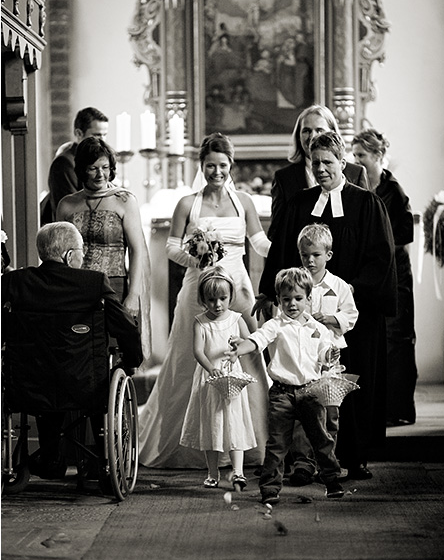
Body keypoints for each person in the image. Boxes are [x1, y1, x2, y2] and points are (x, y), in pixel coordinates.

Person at [257, 131, 396, 480]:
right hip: (304, 314)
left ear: (342, 163)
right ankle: (305, 460)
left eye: (327, 162)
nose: (320, 168)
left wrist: (345, 296)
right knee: (305, 386)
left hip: (352, 314)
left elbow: (381, 258)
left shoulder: (367, 204)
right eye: (315, 162)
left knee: (349, 385)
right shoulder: (300, 204)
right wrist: (270, 293)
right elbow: (281, 252)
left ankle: (353, 456)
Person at [138, 132, 271, 469]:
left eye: (222, 165)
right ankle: (190, 444)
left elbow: (258, 242)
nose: (217, 172)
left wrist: (285, 249)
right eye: (210, 165)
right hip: (198, 288)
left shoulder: (244, 201)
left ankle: (251, 443)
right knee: (189, 359)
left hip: (237, 289)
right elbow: (172, 247)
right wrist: (196, 258)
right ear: (202, 166)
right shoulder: (188, 203)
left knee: (248, 356)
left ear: (231, 165)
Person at [1, 222, 143, 479]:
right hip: (84, 384)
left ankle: (50, 458)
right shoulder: (93, 283)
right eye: (81, 250)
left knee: (45, 379)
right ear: (69, 255)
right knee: (95, 379)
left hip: (28, 385)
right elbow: (126, 327)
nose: (83, 255)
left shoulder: (14, 282)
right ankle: (102, 463)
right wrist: (131, 361)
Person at [230, 267, 345, 504]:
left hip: (311, 391)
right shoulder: (275, 325)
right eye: (286, 299)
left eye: (298, 298)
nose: (292, 304)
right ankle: (270, 488)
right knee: (277, 444)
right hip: (282, 393)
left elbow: (324, 354)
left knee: (321, 440)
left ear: (309, 299)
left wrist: (330, 355)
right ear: (279, 300)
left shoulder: (318, 329)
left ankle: (332, 481)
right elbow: (257, 340)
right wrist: (239, 349)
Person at [56, 136, 152, 363]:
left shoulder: (124, 200)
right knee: (77, 350)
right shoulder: (66, 205)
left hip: (113, 286)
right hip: (76, 289)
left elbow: (137, 250)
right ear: (82, 170)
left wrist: (133, 295)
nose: (101, 174)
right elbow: (58, 252)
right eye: (93, 168)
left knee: (112, 351)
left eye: (105, 168)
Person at [351, 128, 418, 425]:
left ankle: (398, 409)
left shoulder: (394, 191)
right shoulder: (356, 187)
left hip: (394, 271)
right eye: (354, 155)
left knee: (396, 336)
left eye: (361, 155)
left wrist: (378, 244)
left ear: (378, 156)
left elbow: (405, 234)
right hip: (369, 272)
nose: (356, 161)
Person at [286, 223, 358, 486]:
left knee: (329, 413)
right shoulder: (295, 284)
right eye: (305, 255)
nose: (310, 261)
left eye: (316, 255)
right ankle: (303, 464)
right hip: (303, 358)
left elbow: (351, 314)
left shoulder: (338, 286)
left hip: (331, 359)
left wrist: (331, 319)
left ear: (328, 254)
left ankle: (327, 463)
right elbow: (284, 315)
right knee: (304, 411)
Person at [178, 267, 258, 491]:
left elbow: (249, 343)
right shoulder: (200, 322)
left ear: (230, 295)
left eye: (223, 298)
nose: (218, 304)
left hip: (233, 378)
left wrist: (238, 345)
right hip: (210, 379)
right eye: (211, 300)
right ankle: (212, 472)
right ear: (203, 299)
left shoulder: (236, 319)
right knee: (212, 424)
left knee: (235, 423)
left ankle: (238, 471)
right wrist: (210, 368)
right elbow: (198, 351)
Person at [269, 104, 368, 222]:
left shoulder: (356, 173)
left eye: (319, 130)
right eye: (306, 131)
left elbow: (367, 222)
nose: (312, 136)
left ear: (333, 133)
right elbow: (277, 228)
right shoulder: (284, 178)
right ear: (298, 136)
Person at [42, 107, 109, 225]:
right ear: (78, 133)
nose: (102, 141)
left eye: (105, 135)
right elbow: (69, 210)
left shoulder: (102, 161)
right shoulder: (64, 163)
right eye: (97, 135)